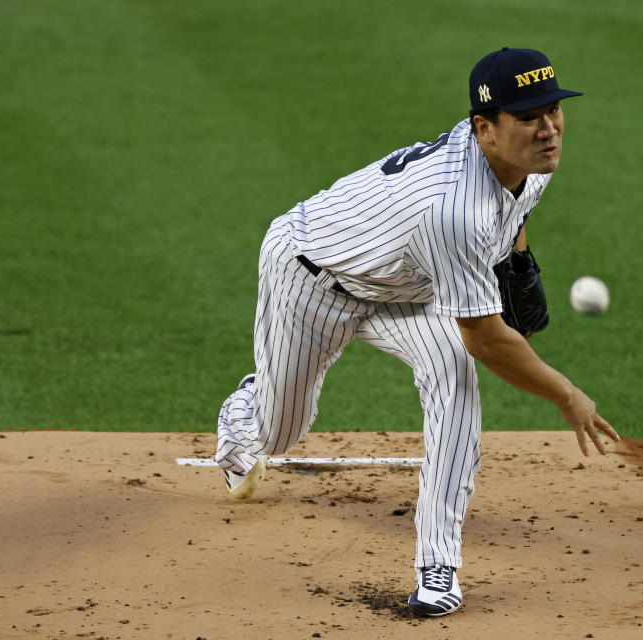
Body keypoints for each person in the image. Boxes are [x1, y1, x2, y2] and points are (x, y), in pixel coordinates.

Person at [215, 47, 620, 618]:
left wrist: (518, 261)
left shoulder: (527, 163)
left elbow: (513, 217)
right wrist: (566, 393)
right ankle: (244, 412)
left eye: (553, 110)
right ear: (485, 129)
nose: (549, 128)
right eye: (529, 117)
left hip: (405, 288)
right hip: (311, 277)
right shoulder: (453, 208)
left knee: (454, 376)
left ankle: (438, 566)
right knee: (280, 433)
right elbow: (486, 336)